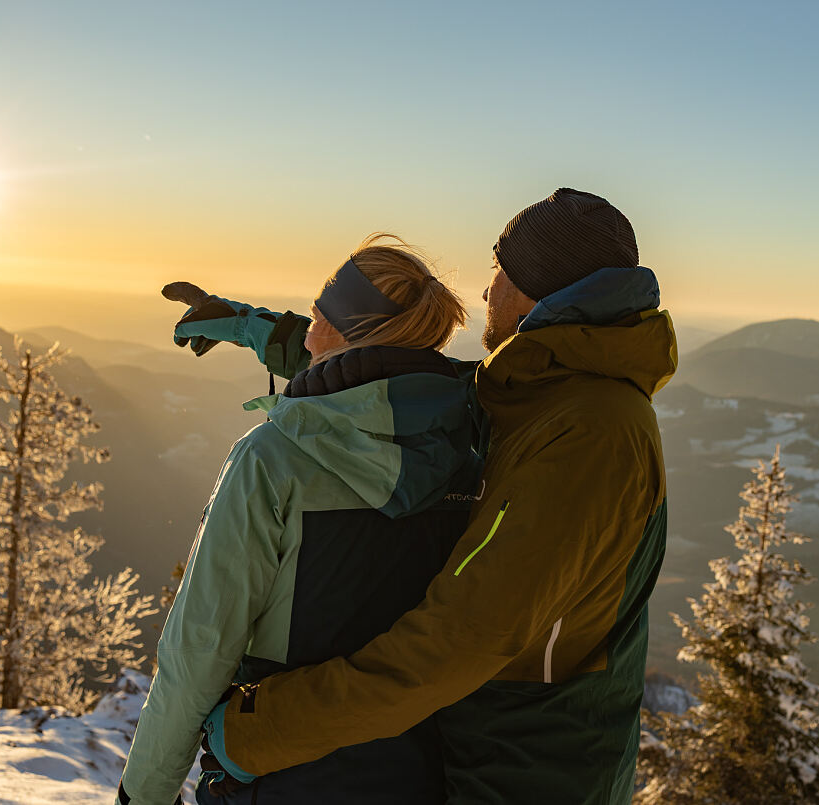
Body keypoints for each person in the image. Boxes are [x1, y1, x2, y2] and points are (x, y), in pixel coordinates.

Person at [193, 189, 678, 805]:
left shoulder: (589, 436)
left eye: (500, 272)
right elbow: (395, 385)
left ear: (539, 291)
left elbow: (462, 636)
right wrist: (263, 330)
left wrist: (263, 729)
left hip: (529, 778)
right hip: (478, 757)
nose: (487, 293)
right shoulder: (543, 393)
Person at [116, 234, 480, 805]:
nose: (308, 328)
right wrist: (245, 325)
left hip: (278, 771)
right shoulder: (471, 445)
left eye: (319, 314)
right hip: (423, 775)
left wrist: (142, 795)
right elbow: (384, 376)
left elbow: (199, 652)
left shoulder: (273, 460)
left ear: (348, 332)